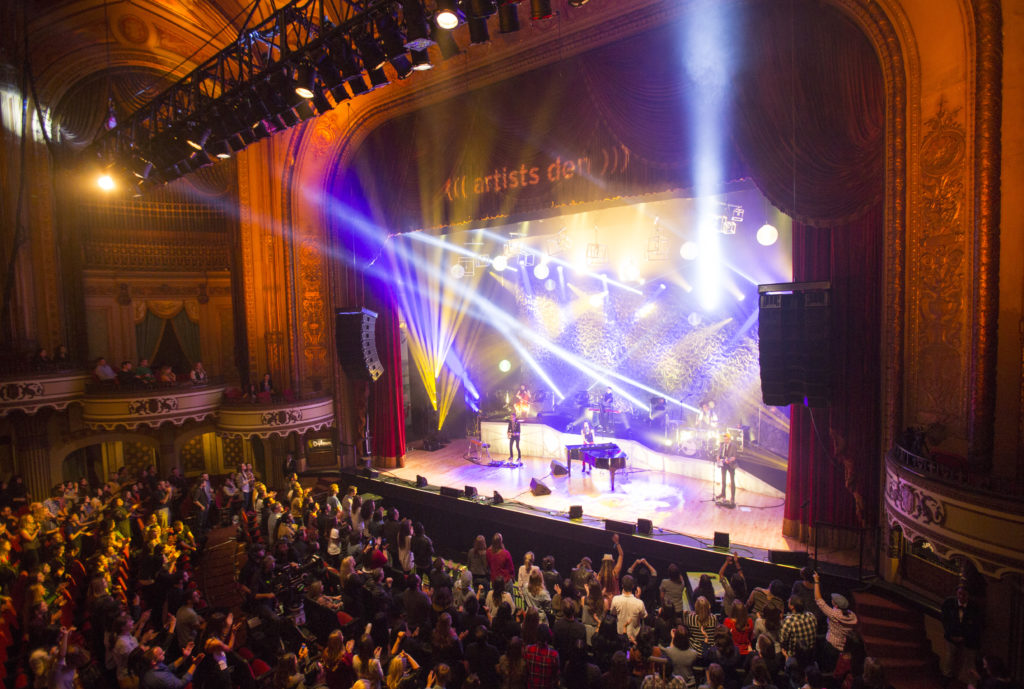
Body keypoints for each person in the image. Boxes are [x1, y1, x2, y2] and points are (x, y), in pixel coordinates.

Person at [813, 571, 858, 672]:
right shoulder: (852, 616)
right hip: (843, 647)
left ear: (836, 605)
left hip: (831, 646)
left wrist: (816, 581)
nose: (831, 601)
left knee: (827, 666)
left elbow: (819, 600)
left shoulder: (835, 615)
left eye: (833, 600)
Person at [941, 584, 983, 685]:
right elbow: (945, 620)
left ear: (968, 595)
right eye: (959, 594)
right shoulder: (949, 603)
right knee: (950, 657)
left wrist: (963, 637)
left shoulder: (974, 607)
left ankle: (971, 684)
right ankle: (947, 677)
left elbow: (976, 625)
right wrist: (951, 635)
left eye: (964, 595)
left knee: (970, 661)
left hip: (969, 639)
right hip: (952, 636)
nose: (961, 597)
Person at [717, 433, 737, 504]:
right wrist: (718, 457)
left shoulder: (733, 445)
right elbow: (719, 453)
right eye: (724, 439)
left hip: (731, 465)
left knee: (732, 481)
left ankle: (732, 497)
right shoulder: (722, 445)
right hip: (724, 464)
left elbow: (734, 457)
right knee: (723, 480)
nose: (725, 441)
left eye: (726, 440)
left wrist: (728, 460)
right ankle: (723, 494)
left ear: (729, 439)